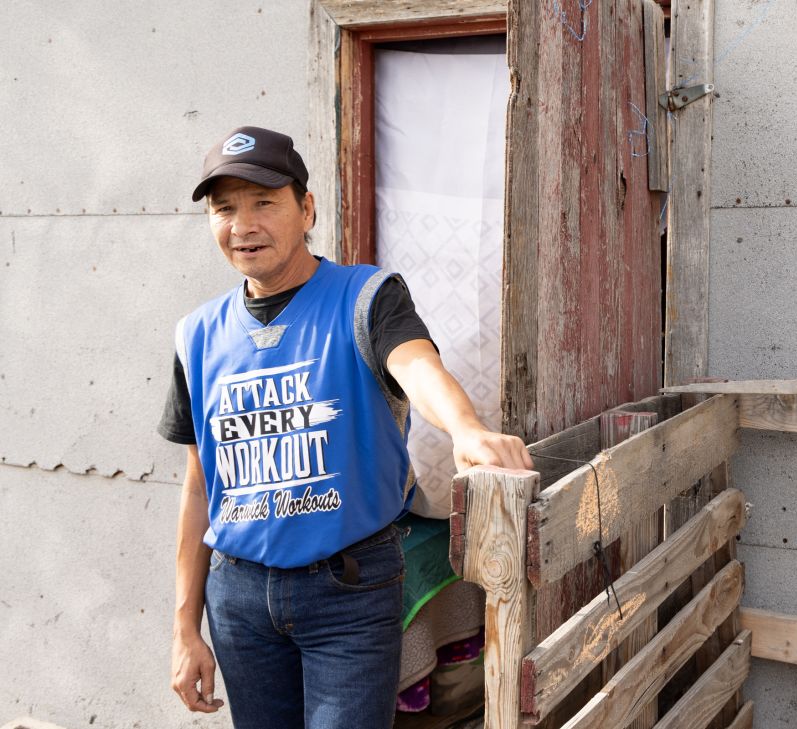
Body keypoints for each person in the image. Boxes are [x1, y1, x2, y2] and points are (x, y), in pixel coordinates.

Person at [158, 125, 532, 729]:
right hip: (239, 602)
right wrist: (184, 628)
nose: (243, 224)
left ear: (306, 208)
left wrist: (465, 428)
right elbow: (200, 485)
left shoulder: (365, 297)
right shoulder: (197, 335)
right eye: (224, 208)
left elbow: (415, 365)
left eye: (264, 203)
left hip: (348, 592)